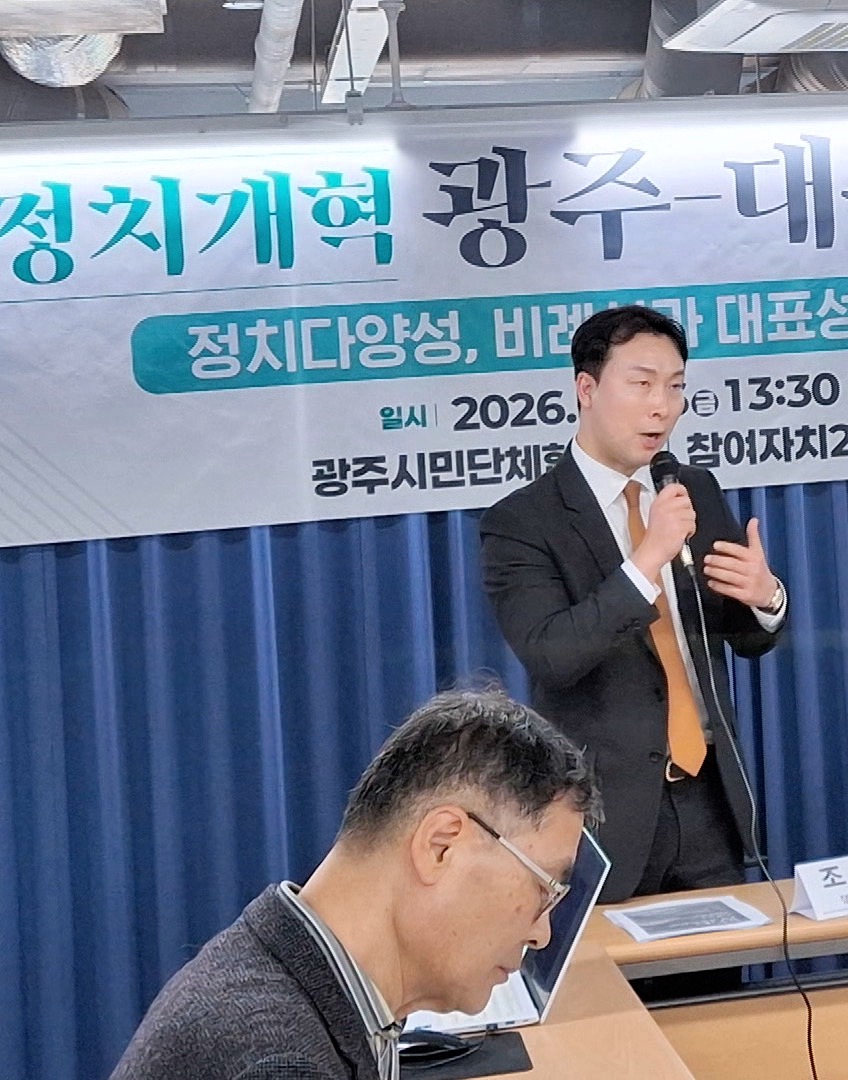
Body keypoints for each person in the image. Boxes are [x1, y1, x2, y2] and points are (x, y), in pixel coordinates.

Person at [112, 689, 601, 1080]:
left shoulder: (296, 985)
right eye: (544, 890)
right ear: (442, 846)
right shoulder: (279, 1061)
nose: (542, 934)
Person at [481, 304, 788, 902]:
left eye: (674, 387)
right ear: (587, 389)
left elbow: (744, 638)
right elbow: (553, 655)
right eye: (641, 384)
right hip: (601, 815)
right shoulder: (523, 521)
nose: (661, 407)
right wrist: (647, 561)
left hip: (708, 801)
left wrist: (764, 598)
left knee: (728, 964)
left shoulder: (692, 488)